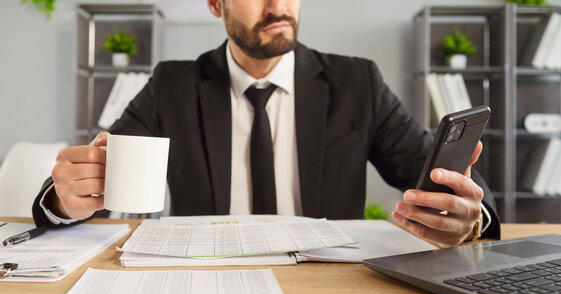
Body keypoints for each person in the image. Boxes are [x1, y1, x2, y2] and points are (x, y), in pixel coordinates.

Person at [32, 0, 500, 248]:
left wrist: (470, 215)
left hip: (327, 285)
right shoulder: (171, 85)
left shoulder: (358, 82)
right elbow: (101, 169)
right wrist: (64, 197)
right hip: (206, 276)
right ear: (216, 4)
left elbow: (441, 179)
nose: (278, 5)